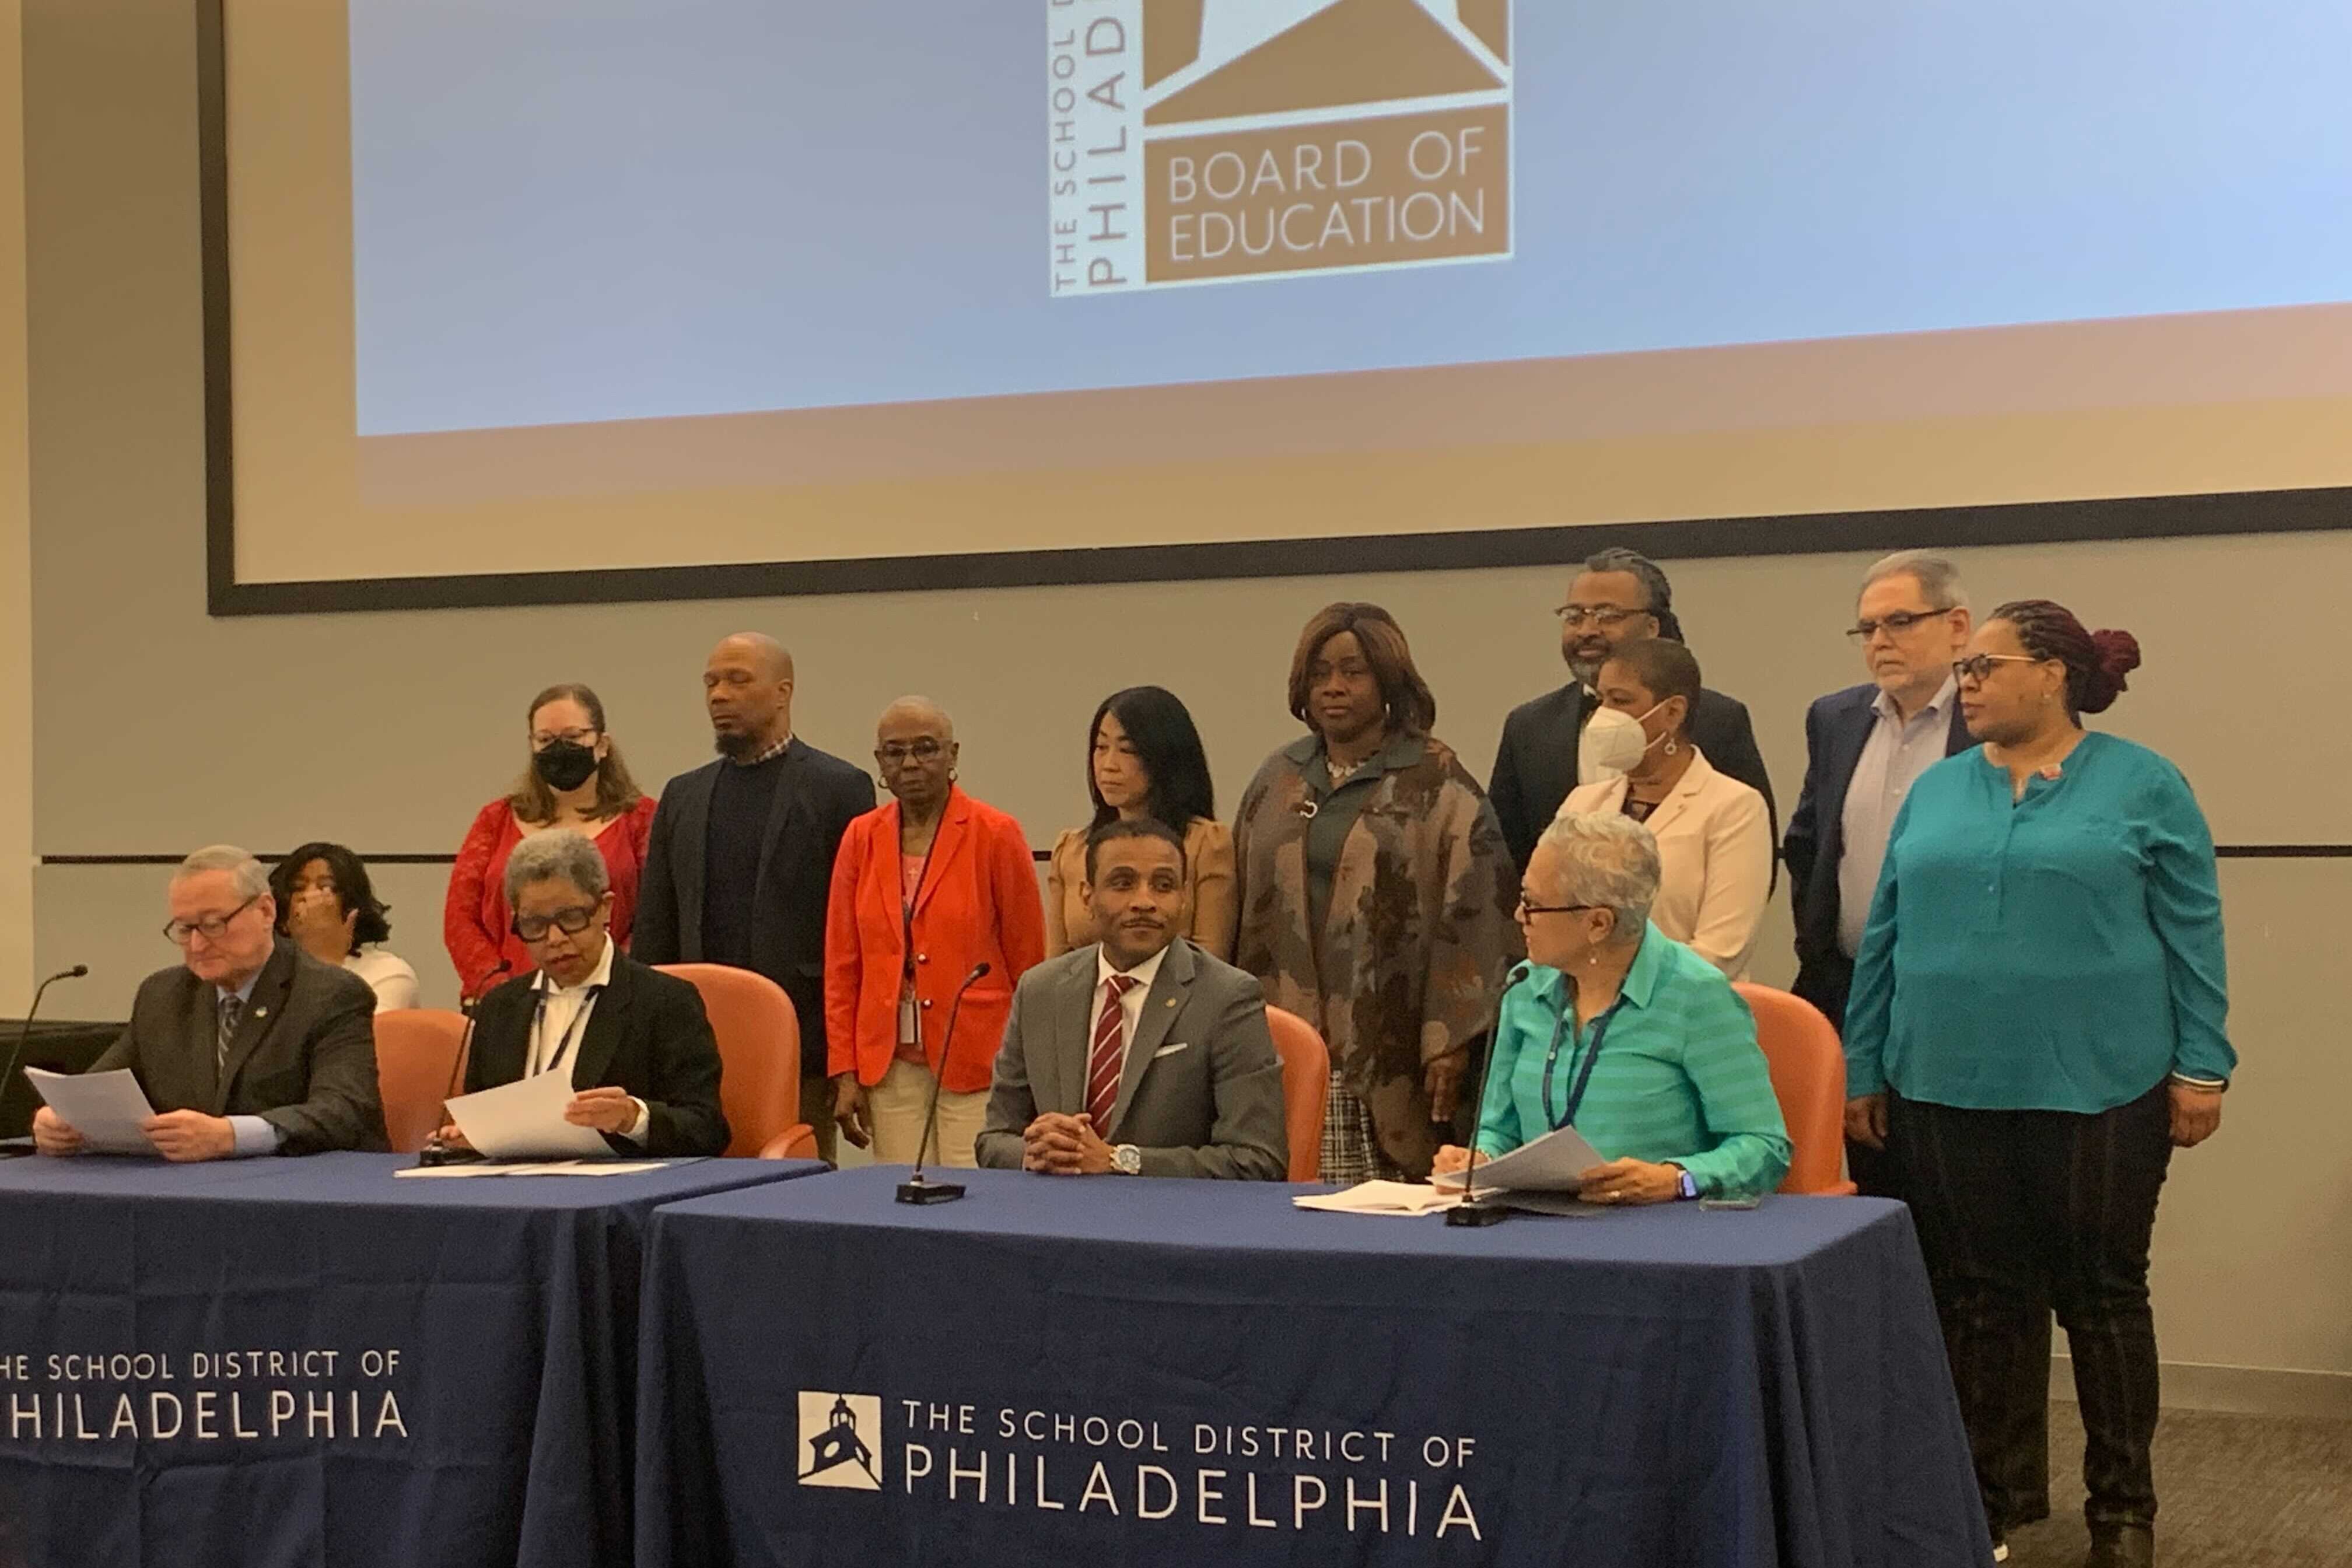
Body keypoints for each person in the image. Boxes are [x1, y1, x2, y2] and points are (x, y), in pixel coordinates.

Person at [1843, 601, 2231, 1568]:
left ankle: (2122, 1513)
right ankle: (1978, 1505)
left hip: (2099, 1085)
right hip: (1939, 1082)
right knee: (1977, 1300)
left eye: (1983, 666)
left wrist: (2202, 1066)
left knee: (2100, 1296)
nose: (1964, 683)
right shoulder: (1936, 792)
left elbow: (2193, 932)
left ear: (2054, 672)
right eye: (1963, 670)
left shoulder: (2142, 782)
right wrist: (1862, 1063)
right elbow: (1883, 933)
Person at [1232, 603, 1520, 1184]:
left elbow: (1478, 916)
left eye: (1353, 672)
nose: (1333, 688)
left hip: (1396, 1043)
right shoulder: (1278, 777)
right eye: (1319, 674)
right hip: (1284, 1033)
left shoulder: (1438, 782)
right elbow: (1241, 910)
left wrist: (1450, 1040)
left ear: (1389, 681)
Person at [1434, 813, 1790, 1200]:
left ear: (1599, 924)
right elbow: (1498, 1130)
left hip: (1658, 1234)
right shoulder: (1524, 987)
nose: (1520, 916)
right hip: (1536, 1224)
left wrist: (1677, 1179)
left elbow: (1764, 1147)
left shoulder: (1697, 997)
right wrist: (1477, 1158)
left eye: (1532, 903)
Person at [633, 634, 873, 1161]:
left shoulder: (841, 788)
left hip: (798, 1044)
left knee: (794, 1194)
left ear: (783, 692)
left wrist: (848, 1058)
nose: (719, 695)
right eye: (711, 682)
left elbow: (856, 934)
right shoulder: (684, 795)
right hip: (692, 1046)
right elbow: (654, 928)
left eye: (738, 680)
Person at [979, 818, 1286, 1180]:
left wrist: (1119, 1160)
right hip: (1056, 1213)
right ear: (1087, 898)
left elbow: (1258, 1159)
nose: (1144, 902)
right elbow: (994, 1140)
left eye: (1164, 885)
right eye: (1123, 884)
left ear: (1184, 898)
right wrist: (1038, 1152)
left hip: (1173, 1221)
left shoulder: (1227, 998)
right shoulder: (1041, 991)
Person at [32, 846, 386, 1158]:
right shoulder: (162, 995)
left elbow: (344, 1111)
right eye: (185, 930)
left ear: (265, 912)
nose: (198, 945)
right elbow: (97, 1090)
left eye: (214, 925)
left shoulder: (331, 994)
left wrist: (232, 1136)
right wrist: (62, 1119)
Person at [826, 698, 1046, 1166]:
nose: (910, 763)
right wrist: (845, 1072)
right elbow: (843, 965)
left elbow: (1029, 963)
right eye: (895, 752)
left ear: (953, 756)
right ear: (880, 763)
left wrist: (1030, 1070)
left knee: (979, 1198)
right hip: (889, 1066)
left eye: (926, 749)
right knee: (903, 1200)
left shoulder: (996, 833)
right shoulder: (860, 838)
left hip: (980, 1059)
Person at [433, 830, 729, 1158]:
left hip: (615, 1190)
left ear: (605, 908)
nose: (555, 939)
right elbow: (483, 1120)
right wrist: (470, 1137)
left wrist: (635, 1118)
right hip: (512, 1189)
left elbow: (708, 1129)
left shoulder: (665, 1001)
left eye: (571, 918)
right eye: (535, 925)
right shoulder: (499, 1008)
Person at [1489, 547, 1776, 873]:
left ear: (1653, 627)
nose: (1586, 630)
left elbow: (1753, 861)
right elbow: (1505, 860)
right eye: (1574, 616)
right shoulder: (1530, 727)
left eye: (1607, 615)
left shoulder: (1717, 719)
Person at [1555, 638, 1772, 978]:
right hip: (1582, 1005)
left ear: (1672, 712)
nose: (1603, 716)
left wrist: (1617, 983)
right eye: (1601, 701)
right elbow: (1547, 916)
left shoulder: (1734, 807)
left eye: (1620, 701)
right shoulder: (1583, 803)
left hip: (1687, 1013)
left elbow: (1722, 951)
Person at [444, 683, 656, 1003]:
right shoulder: (495, 819)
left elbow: (654, 917)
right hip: (503, 1001)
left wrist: (613, 979)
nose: (559, 750)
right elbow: (460, 918)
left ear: (602, 744)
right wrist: (500, 989)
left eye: (573, 738)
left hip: (612, 998)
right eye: (546, 740)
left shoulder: (642, 819)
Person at [1045, 686, 1237, 961]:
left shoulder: (1206, 843)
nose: (1109, 765)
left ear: (1165, 758)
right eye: (1101, 747)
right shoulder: (1072, 849)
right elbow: (1054, 968)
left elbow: (1212, 963)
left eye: (1127, 750)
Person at [271, 841, 419, 1012]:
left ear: (351, 909)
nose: (310, 897)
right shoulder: (265, 973)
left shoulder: (389, 974)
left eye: (327, 887)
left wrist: (323, 958)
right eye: (298, 888)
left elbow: (350, 1036)